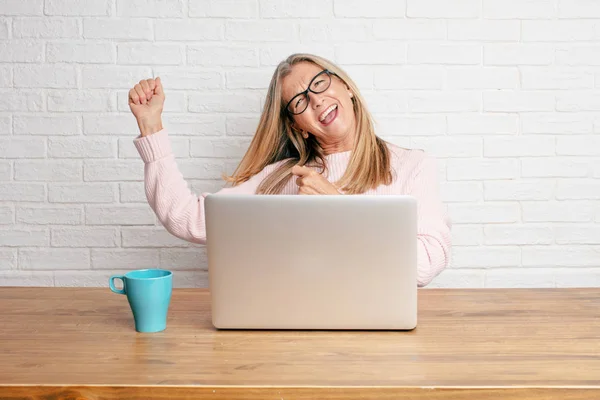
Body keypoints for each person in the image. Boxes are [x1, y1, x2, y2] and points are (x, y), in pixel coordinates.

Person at [128, 53, 451, 287]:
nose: (316, 100)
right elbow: (188, 219)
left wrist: (340, 209)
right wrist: (150, 125)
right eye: (299, 101)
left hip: (380, 333)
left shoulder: (412, 166)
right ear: (299, 126)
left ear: (346, 86)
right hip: (295, 332)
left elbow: (425, 265)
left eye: (319, 83)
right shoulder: (285, 176)